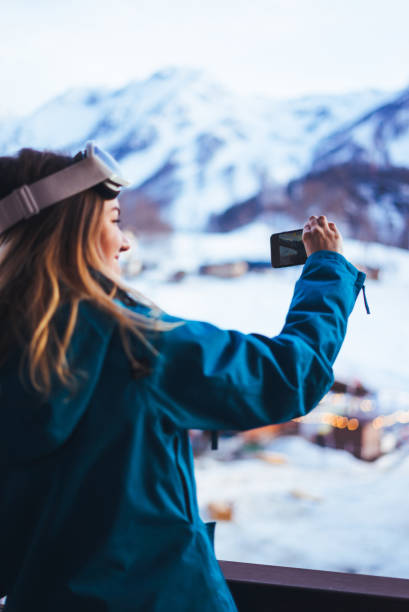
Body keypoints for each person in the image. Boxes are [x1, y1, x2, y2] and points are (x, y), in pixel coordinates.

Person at [0, 142, 365, 612]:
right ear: (70, 235)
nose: (126, 240)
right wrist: (328, 270)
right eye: (113, 220)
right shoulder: (138, 345)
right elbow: (288, 376)